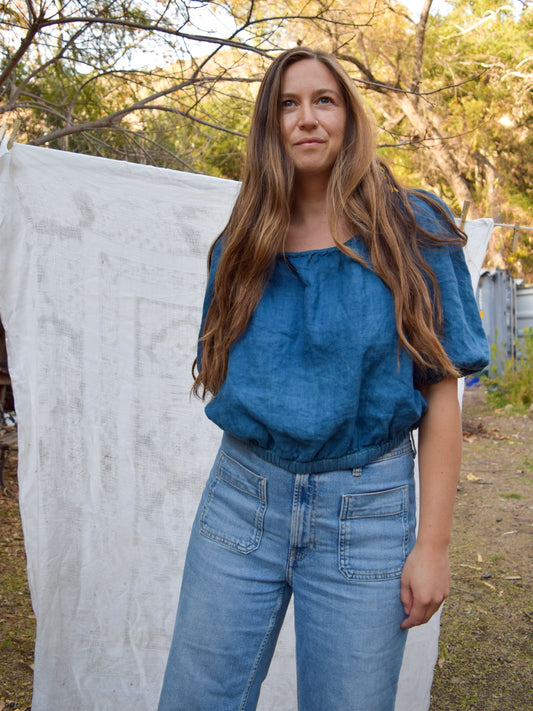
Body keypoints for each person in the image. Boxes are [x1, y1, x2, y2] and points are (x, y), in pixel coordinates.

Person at [158, 47, 489, 711]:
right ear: (269, 125)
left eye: (323, 100)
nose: (305, 118)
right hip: (241, 502)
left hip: (366, 514)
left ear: (348, 117)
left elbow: (439, 394)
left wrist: (433, 544)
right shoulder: (242, 243)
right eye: (287, 103)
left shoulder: (410, 228)